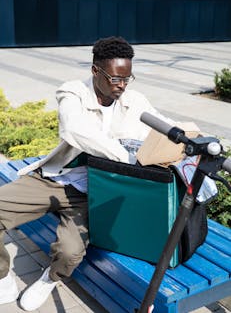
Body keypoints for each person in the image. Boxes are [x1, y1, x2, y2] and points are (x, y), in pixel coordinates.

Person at [0, 36, 174, 311]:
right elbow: (74, 129)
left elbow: (162, 124)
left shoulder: (134, 99)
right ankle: (2, 275)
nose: (122, 86)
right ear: (96, 71)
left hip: (94, 191)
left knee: (70, 252)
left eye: (128, 79)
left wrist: (190, 138)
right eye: (116, 78)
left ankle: (50, 279)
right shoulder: (72, 92)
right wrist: (123, 157)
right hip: (54, 180)